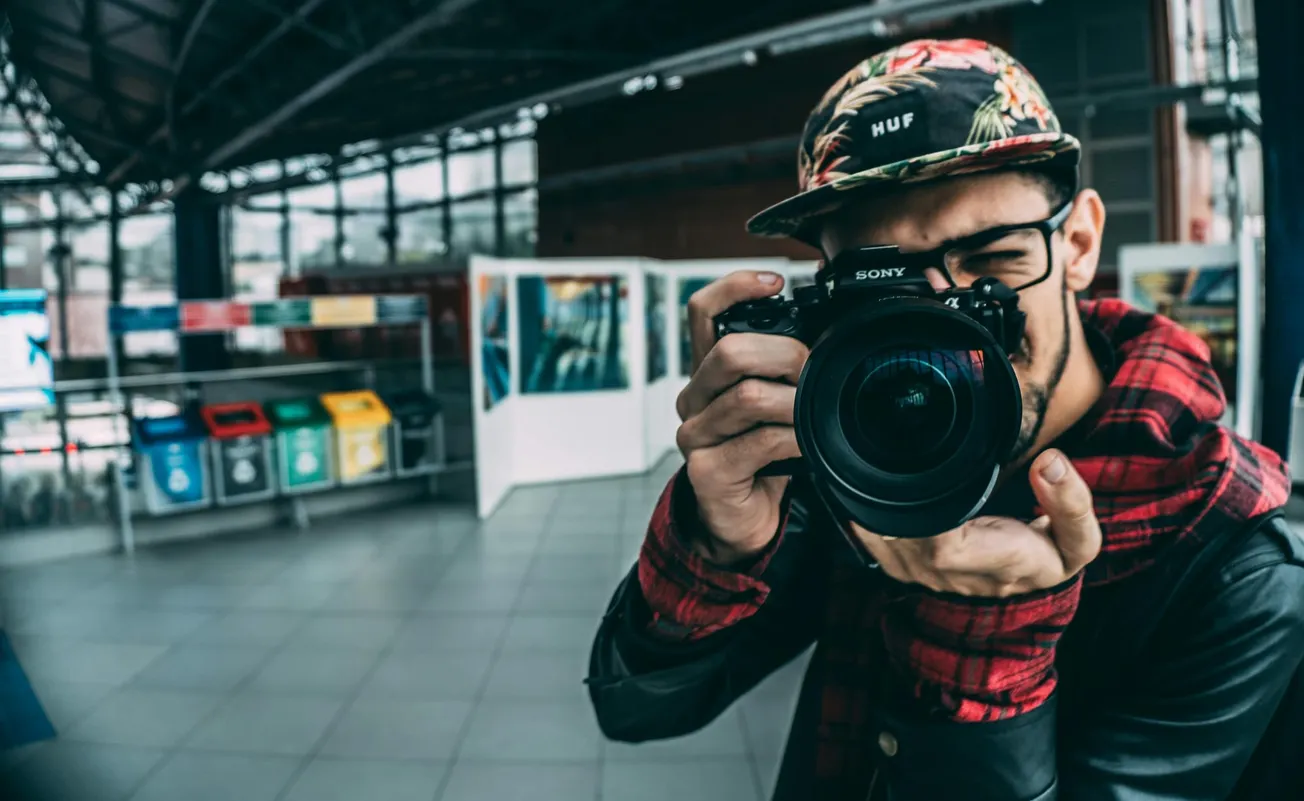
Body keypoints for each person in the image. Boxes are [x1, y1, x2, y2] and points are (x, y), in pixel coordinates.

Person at [586, 38, 1304, 801]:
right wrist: (718, 545)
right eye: (885, 288)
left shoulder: (1239, 575)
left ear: (1081, 243)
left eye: (992, 262)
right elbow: (636, 712)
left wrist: (990, 651)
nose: (944, 331)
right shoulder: (851, 447)